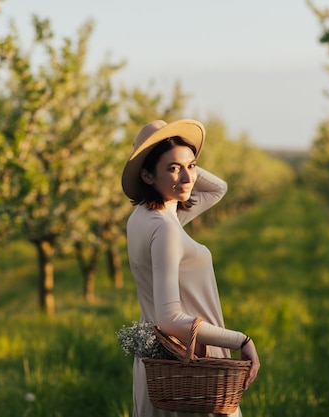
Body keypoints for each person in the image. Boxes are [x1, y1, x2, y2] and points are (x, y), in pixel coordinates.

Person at [122, 119, 260, 417]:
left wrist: (175, 149)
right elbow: (169, 318)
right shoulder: (165, 228)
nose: (188, 178)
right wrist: (241, 340)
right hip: (190, 367)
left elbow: (217, 189)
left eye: (192, 166)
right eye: (173, 169)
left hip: (160, 367)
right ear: (147, 175)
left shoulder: (144, 217)